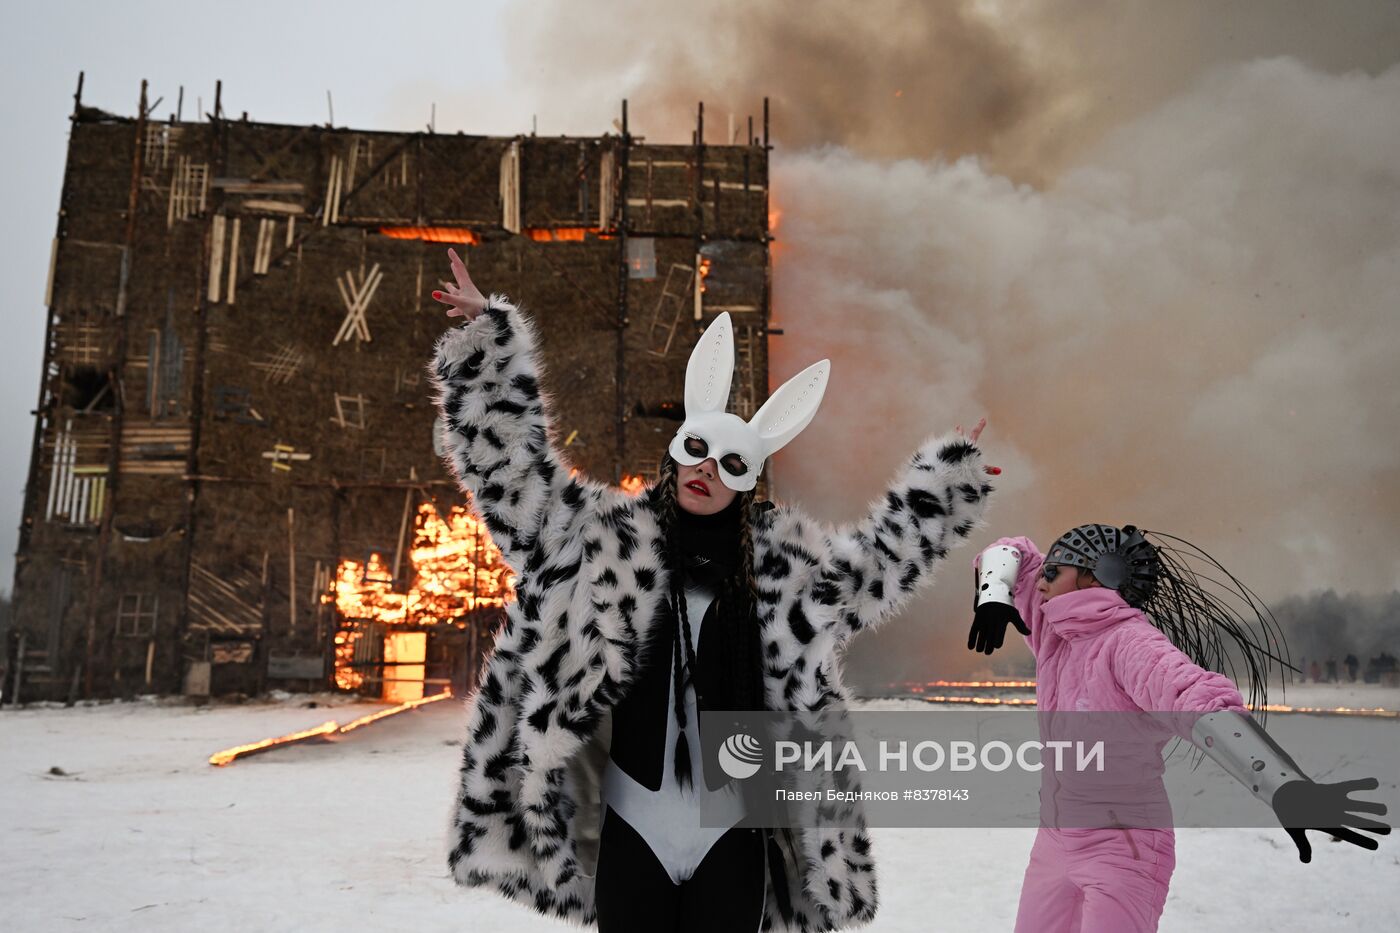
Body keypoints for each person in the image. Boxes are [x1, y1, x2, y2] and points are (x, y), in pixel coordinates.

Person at [429, 248, 998, 931]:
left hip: (735, 827)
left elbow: (872, 570)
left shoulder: (783, 573)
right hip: (631, 822)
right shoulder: (601, 543)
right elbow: (514, 476)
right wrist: (487, 344)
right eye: (696, 449)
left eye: (730, 462)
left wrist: (942, 486)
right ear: (675, 453)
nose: (706, 468)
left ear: (747, 480)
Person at [969, 525, 1389, 932]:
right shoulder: (1054, 634)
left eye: (1053, 572)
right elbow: (1010, 553)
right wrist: (993, 594)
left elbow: (1198, 700)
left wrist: (1284, 786)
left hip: (1125, 850)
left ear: (1091, 577)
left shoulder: (1132, 644)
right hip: (1055, 842)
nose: (1039, 583)